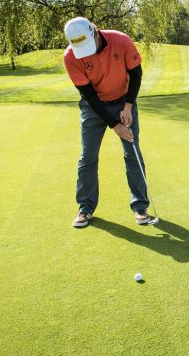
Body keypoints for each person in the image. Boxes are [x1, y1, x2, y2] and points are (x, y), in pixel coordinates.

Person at [62, 17, 157, 227]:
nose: (87, 52)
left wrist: (129, 106)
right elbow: (88, 95)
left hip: (124, 101)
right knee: (87, 156)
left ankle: (140, 208)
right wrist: (115, 125)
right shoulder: (70, 56)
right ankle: (85, 208)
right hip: (94, 107)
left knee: (132, 152)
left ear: (95, 32)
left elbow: (136, 73)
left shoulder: (120, 40)